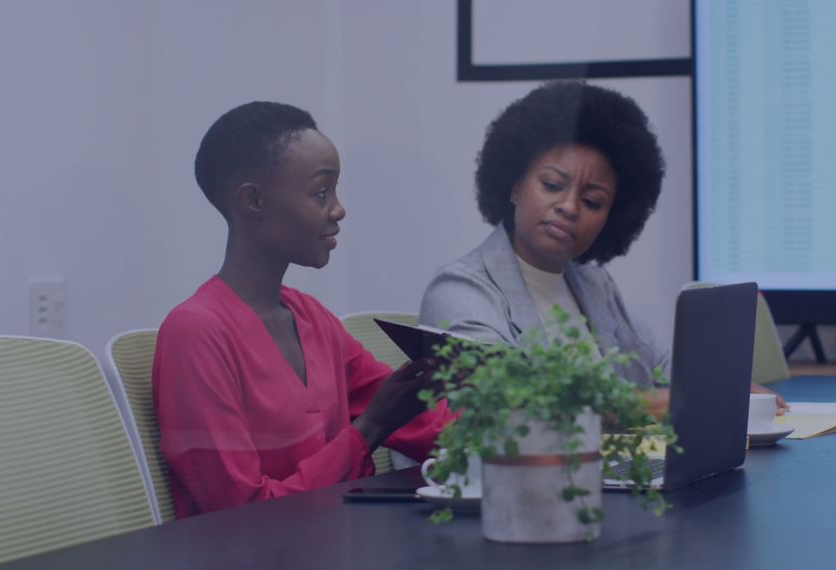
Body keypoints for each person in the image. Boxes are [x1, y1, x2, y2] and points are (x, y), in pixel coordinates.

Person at [152, 102, 450, 518]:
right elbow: (240, 513)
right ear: (253, 201)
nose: (339, 209)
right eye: (321, 192)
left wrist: (524, 426)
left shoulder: (311, 318)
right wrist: (368, 431)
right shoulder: (195, 334)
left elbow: (428, 427)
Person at [419, 80, 785, 411]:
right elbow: (503, 405)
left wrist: (728, 390)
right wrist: (654, 403)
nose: (569, 207)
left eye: (592, 202)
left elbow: (657, 367)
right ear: (515, 186)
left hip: (611, 473)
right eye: (551, 185)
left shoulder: (595, 285)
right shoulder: (460, 289)